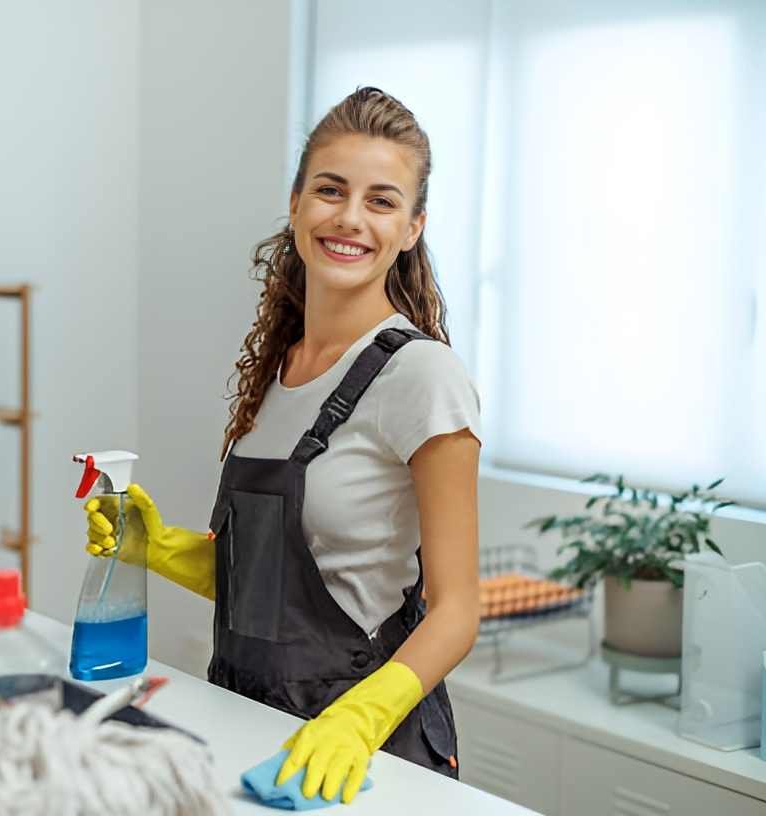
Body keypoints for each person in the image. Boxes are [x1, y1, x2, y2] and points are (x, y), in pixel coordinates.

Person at [84, 87, 482, 805]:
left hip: (365, 755)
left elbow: (457, 608)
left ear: (413, 226)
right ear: (297, 204)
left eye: (382, 200)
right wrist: (161, 547)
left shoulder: (422, 375)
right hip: (248, 725)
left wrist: (360, 720)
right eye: (330, 190)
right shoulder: (282, 367)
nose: (350, 218)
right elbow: (284, 587)